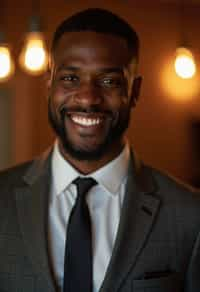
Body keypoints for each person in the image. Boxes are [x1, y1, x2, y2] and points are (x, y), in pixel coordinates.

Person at [0, 8, 200, 292]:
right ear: (49, 83)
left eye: (109, 81)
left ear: (135, 91)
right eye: (70, 78)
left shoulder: (191, 214)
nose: (88, 98)